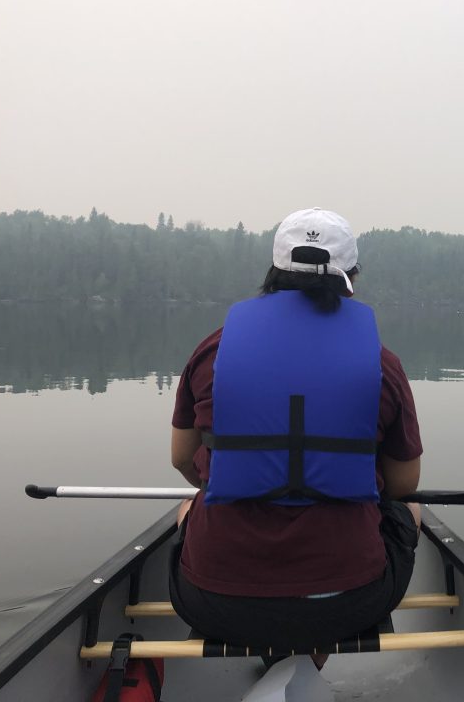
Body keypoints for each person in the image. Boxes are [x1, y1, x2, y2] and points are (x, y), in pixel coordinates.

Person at [167, 207, 423, 666]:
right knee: (412, 510)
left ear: (274, 273)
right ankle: (308, 663)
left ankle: (279, 663)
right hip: (347, 601)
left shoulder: (213, 351)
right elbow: (402, 485)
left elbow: (182, 460)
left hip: (213, 600)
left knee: (189, 506)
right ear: (351, 277)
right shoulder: (383, 365)